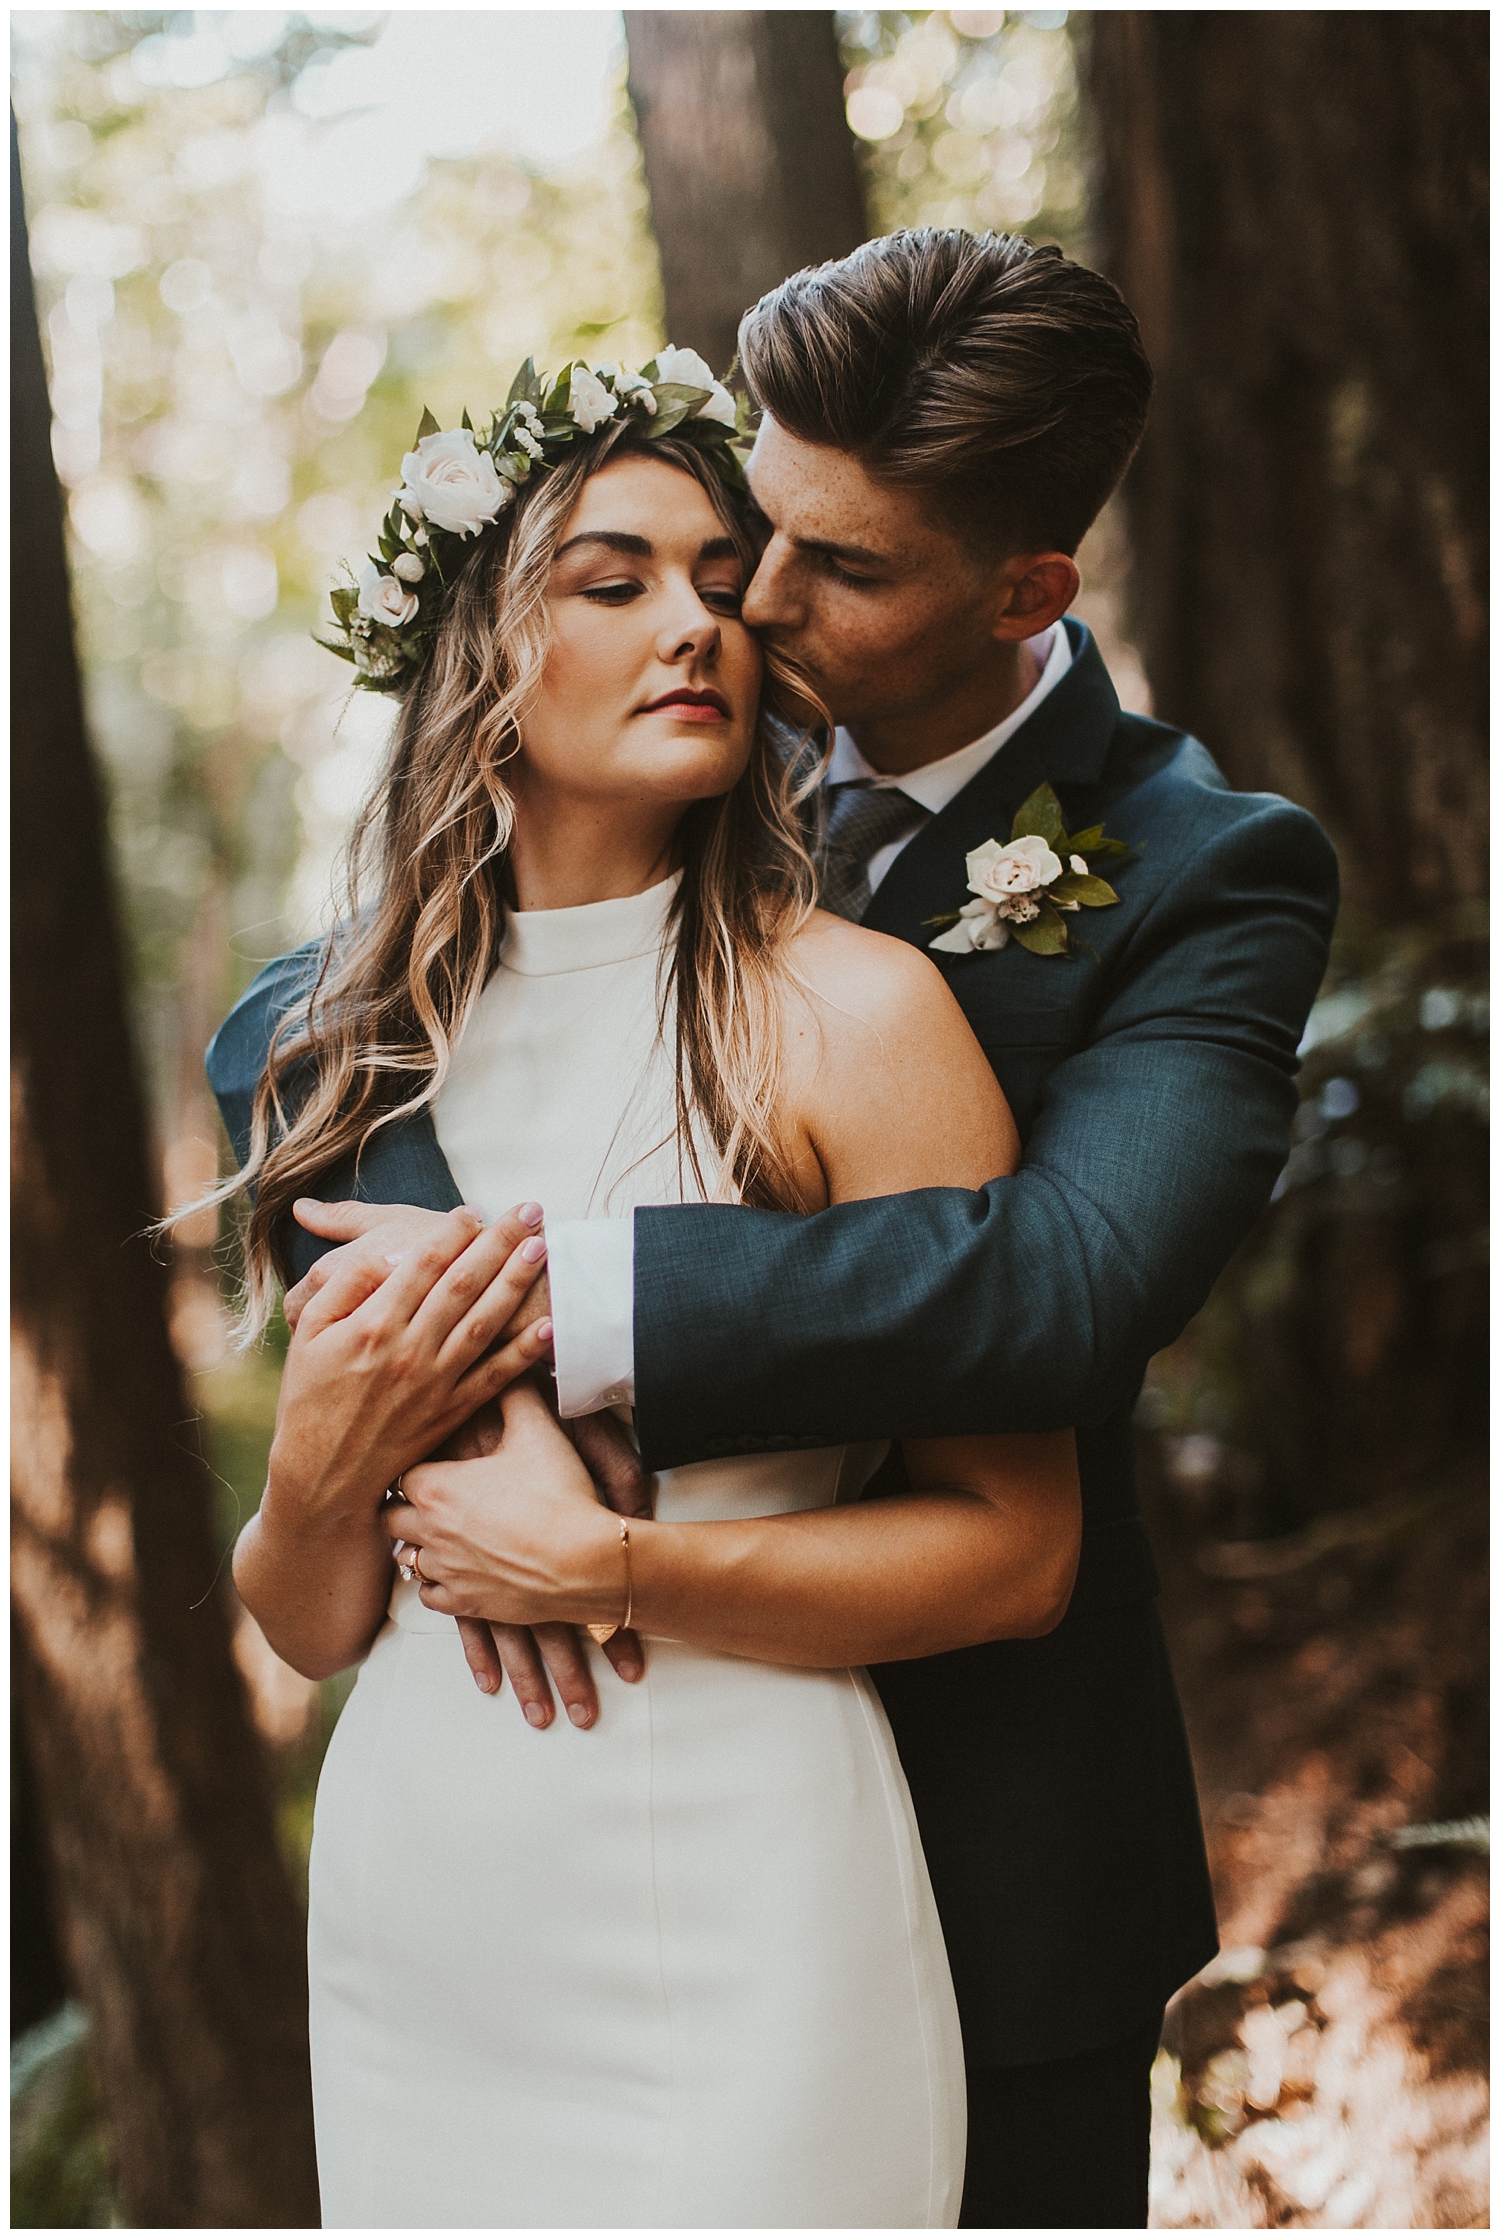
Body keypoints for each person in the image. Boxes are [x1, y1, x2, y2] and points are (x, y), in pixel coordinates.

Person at [256, 231, 1340, 2229]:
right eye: (760, 524)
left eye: (837, 568)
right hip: (528, 1839)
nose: (749, 599)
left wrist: (541, 1299)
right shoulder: (670, 728)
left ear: (1026, 593)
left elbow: (1068, 1284)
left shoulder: (1206, 874)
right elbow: (369, 1035)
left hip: (990, 1828)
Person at [210, 349, 1087, 2227]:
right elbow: (309, 1619)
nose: (695, 621)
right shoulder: (337, 1064)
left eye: (717, 578)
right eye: (611, 582)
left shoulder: (852, 1013)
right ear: (475, 654)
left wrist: (611, 1570)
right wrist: (314, 1467)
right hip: (427, 1912)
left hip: (750, 1878)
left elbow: (1017, 1552)